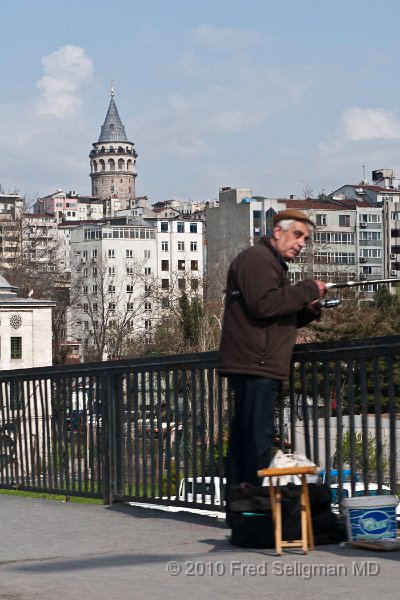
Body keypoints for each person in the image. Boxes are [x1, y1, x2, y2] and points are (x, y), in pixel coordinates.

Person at [218, 209, 327, 490]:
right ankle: (253, 512)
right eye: (298, 235)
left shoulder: (269, 263)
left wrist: (307, 311)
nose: (302, 243)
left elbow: (273, 313)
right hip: (257, 365)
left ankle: (244, 514)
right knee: (256, 439)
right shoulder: (257, 259)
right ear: (278, 232)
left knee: (248, 438)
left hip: (259, 363)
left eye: (305, 238)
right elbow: (264, 305)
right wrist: (307, 289)